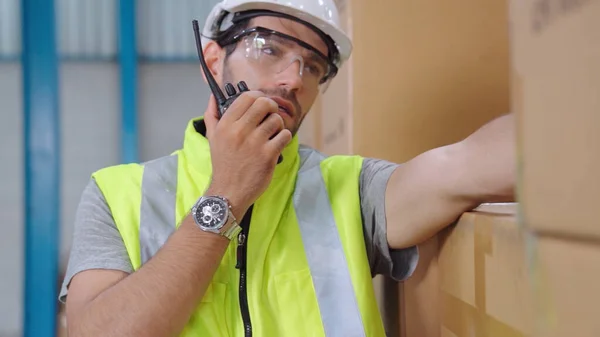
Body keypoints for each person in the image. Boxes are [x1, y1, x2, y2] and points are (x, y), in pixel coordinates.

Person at [59, 0, 515, 336]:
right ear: (213, 61)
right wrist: (227, 194)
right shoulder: (116, 195)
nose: (294, 79)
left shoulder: (350, 189)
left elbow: (465, 166)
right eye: (269, 48)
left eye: (313, 65)